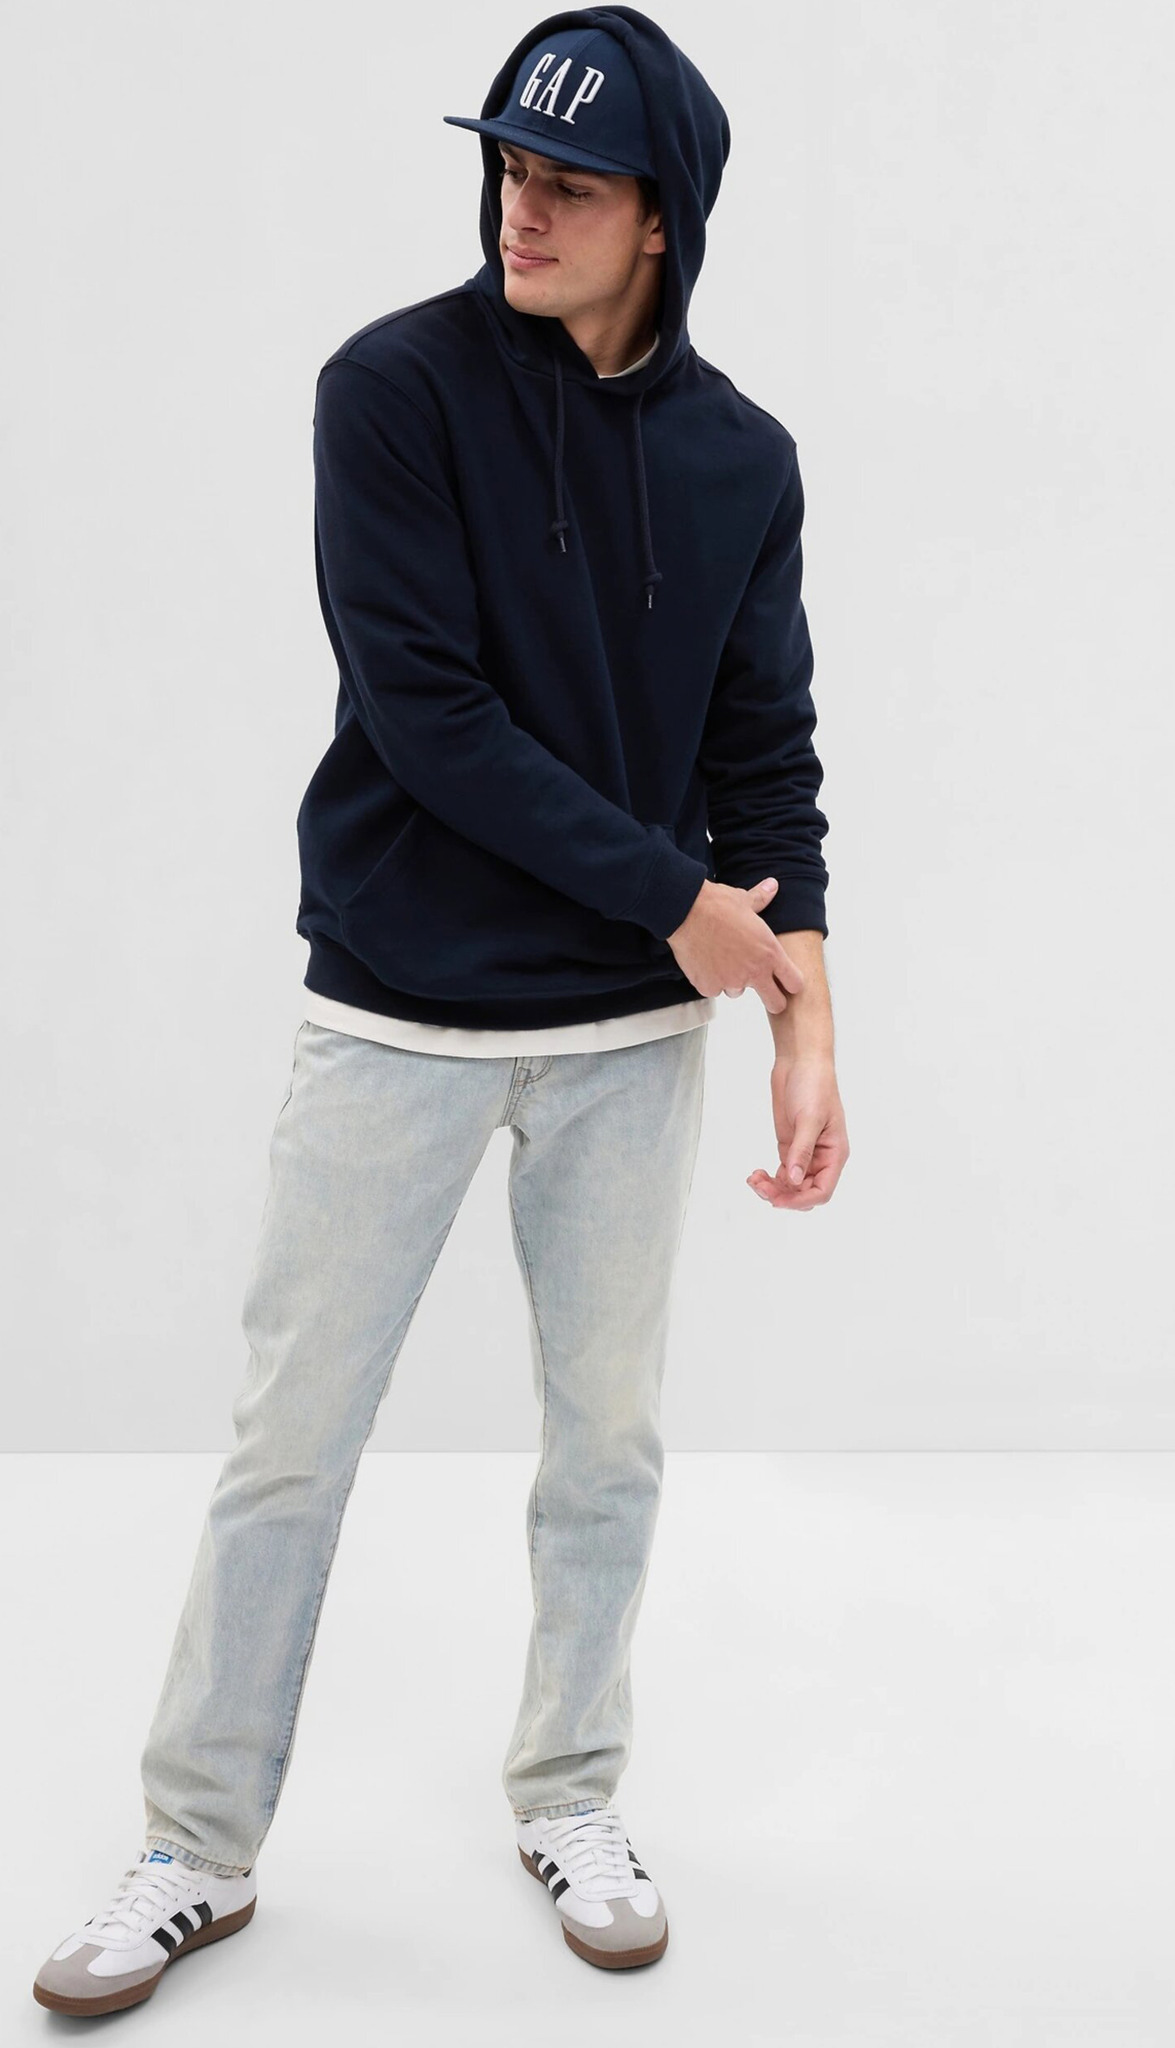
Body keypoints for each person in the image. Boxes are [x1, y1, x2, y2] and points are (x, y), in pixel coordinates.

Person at [34, 4, 848, 2014]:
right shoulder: (389, 390)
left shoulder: (743, 459)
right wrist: (679, 903)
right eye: (507, 167)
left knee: (608, 1445)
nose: (521, 207)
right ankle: (196, 1842)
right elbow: (432, 719)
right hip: (395, 1013)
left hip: (630, 1042)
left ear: (664, 219)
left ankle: (571, 1791)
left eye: (570, 182)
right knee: (289, 1447)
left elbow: (768, 753)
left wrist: (803, 1015)